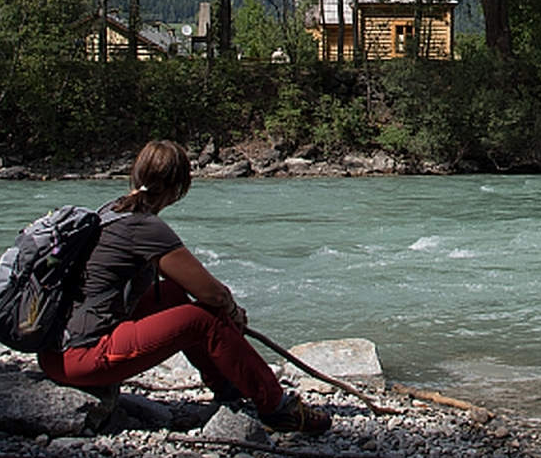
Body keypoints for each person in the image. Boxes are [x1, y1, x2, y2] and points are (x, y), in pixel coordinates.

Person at [38, 140, 330, 434]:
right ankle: (277, 407)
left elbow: (183, 285)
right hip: (81, 356)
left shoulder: (112, 210)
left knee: (174, 294)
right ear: (177, 187)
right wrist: (232, 310)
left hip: (57, 350)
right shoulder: (144, 226)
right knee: (203, 319)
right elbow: (212, 294)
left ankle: (227, 385)